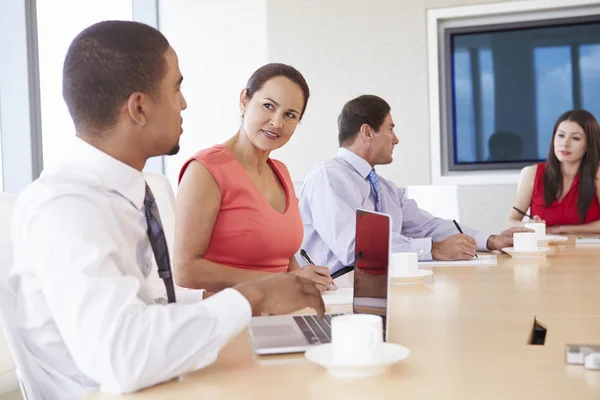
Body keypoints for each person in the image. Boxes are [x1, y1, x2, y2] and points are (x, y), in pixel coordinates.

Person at [7, 21, 324, 398]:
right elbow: (124, 357)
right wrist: (253, 295)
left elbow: (152, 303)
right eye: (176, 88)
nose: (185, 103)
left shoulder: (128, 192)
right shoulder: (66, 210)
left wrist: (261, 295)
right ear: (139, 107)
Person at [298, 94, 527, 273]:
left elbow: (429, 226)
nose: (396, 139)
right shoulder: (328, 178)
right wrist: (434, 250)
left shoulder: (385, 188)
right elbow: (355, 248)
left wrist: (490, 240)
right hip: (338, 291)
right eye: (390, 129)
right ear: (367, 132)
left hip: (378, 286)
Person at [175, 63, 333, 293]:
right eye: (268, 106)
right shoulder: (206, 170)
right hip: (232, 317)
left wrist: (307, 283)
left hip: (280, 311)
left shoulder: (280, 172)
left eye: (289, 115)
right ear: (244, 101)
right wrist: (282, 283)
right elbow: (185, 271)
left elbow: (285, 261)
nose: (277, 122)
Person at [506, 109, 600, 234]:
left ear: (589, 144)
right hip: (543, 249)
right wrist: (530, 225)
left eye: (575, 138)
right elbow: (510, 222)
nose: (565, 143)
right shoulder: (533, 173)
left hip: (585, 250)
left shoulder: (597, 174)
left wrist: (561, 229)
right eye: (560, 135)